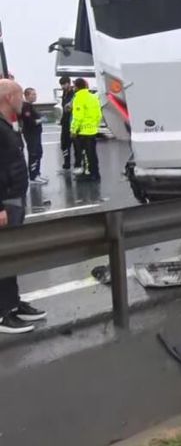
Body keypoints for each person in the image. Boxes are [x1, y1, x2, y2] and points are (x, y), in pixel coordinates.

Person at [0, 79, 47, 334]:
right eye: (19, 96)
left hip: (15, 199)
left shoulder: (8, 126)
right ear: (9, 98)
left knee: (12, 255)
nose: (23, 101)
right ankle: (2, 314)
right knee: (3, 256)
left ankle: (12, 303)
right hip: (5, 202)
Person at [71, 78, 102, 181]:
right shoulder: (93, 97)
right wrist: (95, 125)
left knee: (85, 154)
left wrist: (74, 130)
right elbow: (99, 115)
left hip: (82, 131)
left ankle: (88, 174)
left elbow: (78, 117)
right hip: (92, 130)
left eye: (74, 86)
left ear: (77, 87)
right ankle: (95, 173)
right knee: (92, 153)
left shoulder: (78, 98)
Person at [20, 88, 47, 185]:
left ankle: (37, 174)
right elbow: (29, 121)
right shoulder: (26, 106)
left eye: (35, 94)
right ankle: (33, 176)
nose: (35, 96)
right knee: (33, 153)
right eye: (33, 94)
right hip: (31, 134)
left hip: (36, 133)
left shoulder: (31, 106)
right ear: (27, 95)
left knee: (38, 152)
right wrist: (41, 120)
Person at [58, 76, 82, 172]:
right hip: (65, 122)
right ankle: (66, 163)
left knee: (77, 145)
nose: (63, 86)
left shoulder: (74, 93)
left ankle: (78, 165)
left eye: (64, 84)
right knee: (64, 144)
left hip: (73, 122)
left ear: (69, 83)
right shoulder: (65, 93)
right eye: (61, 85)